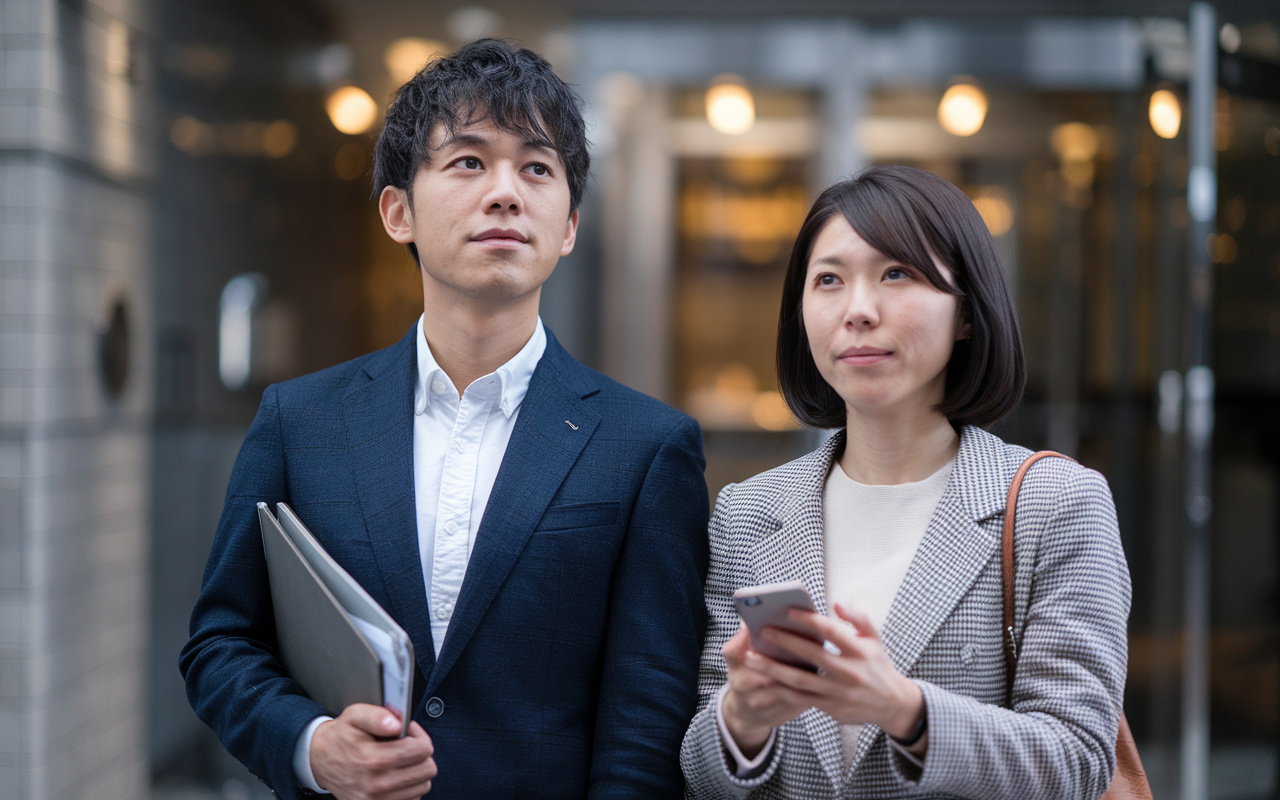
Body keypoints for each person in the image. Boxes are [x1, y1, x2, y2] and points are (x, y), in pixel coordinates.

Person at [181, 39, 710, 800]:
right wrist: (310, 745)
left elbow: (646, 718)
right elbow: (222, 644)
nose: (505, 193)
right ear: (399, 211)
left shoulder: (647, 448)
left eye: (537, 167)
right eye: (468, 162)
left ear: (567, 226)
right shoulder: (299, 421)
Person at [680, 165, 1131, 799]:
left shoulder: (1053, 505)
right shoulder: (749, 512)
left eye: (897, 273)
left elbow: (1079, 760)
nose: (858, 311)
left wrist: (905, 710)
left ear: (967, 313)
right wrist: (740, 721)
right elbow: (699, 773)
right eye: (829, 280)